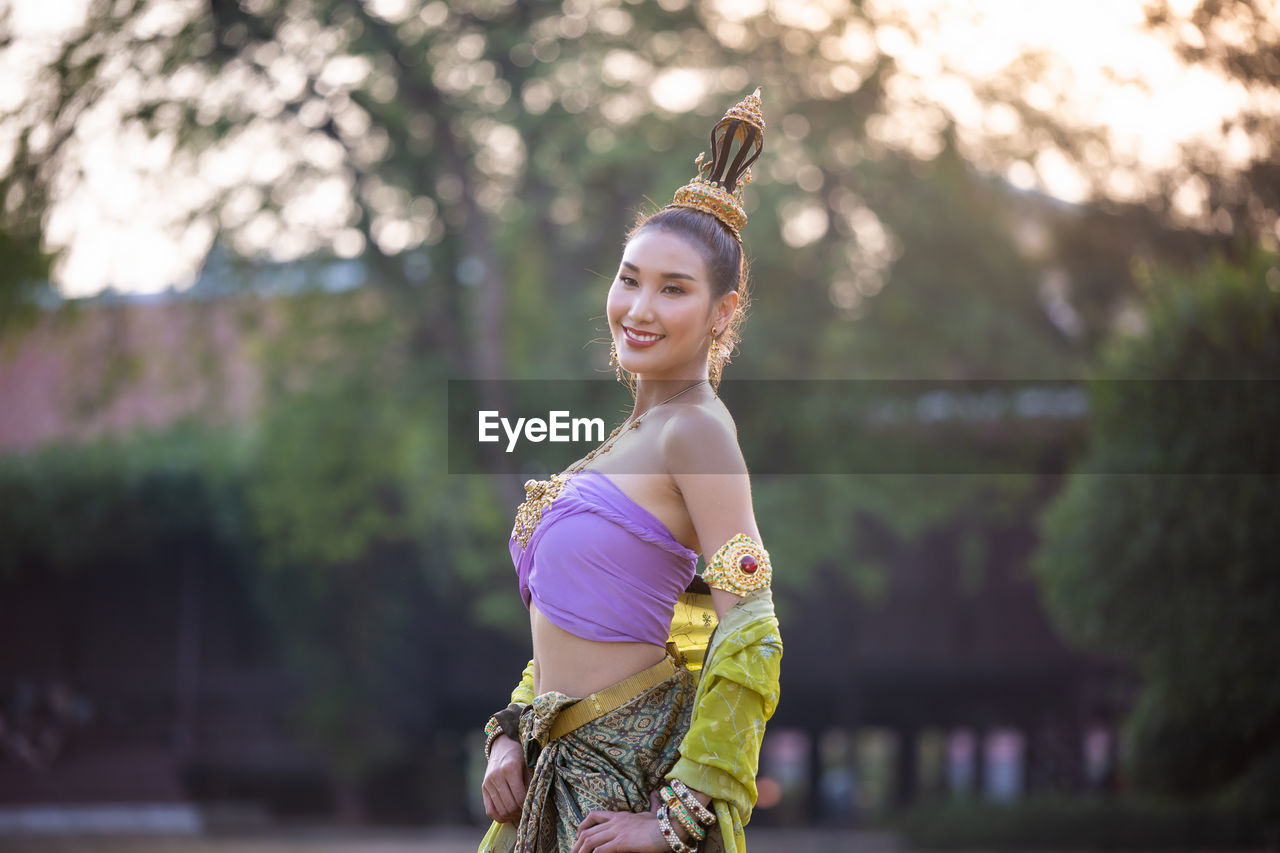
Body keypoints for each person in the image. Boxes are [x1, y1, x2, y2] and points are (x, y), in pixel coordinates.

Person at [478, 89, 783, 853]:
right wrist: (511, 735)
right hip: (550, 784)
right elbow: (571, 622)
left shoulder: (697, 432)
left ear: (721, 311)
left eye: (673, 288)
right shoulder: (621, 443)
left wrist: (678, 818)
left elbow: (750, 626)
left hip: (615, 797)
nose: (639, 307)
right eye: (630, 277)